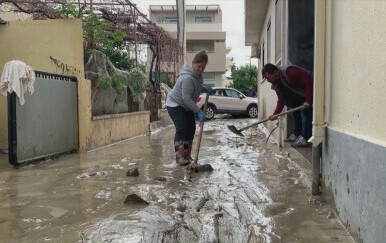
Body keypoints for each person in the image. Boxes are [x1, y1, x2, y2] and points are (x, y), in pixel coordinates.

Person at [166, 50, 212, 166]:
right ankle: (180, 157)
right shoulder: (187, 78)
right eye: (199, 66)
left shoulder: (198, 77)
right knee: (182, 128)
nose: (201, 69)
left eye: (203, 67)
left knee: (191, 128)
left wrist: (203, 89)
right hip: (175, 104)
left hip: (186, 105)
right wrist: (198, 111)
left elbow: (195, 88)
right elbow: (186, 98)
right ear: (193, 63)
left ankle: (187, 155)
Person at [262, 63, 313, 147]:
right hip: (299, 95)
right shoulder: (276, 83)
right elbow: (281, 99)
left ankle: (305, 138)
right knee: (295, 112)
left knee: (305, 114)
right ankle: (297, 134)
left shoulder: (290, 72)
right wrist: (275, 114)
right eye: (266, 78)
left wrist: (308, 100)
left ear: (275, 72)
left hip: (310, 90)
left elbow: (308, 81)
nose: (267, 80)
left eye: (268, 77)